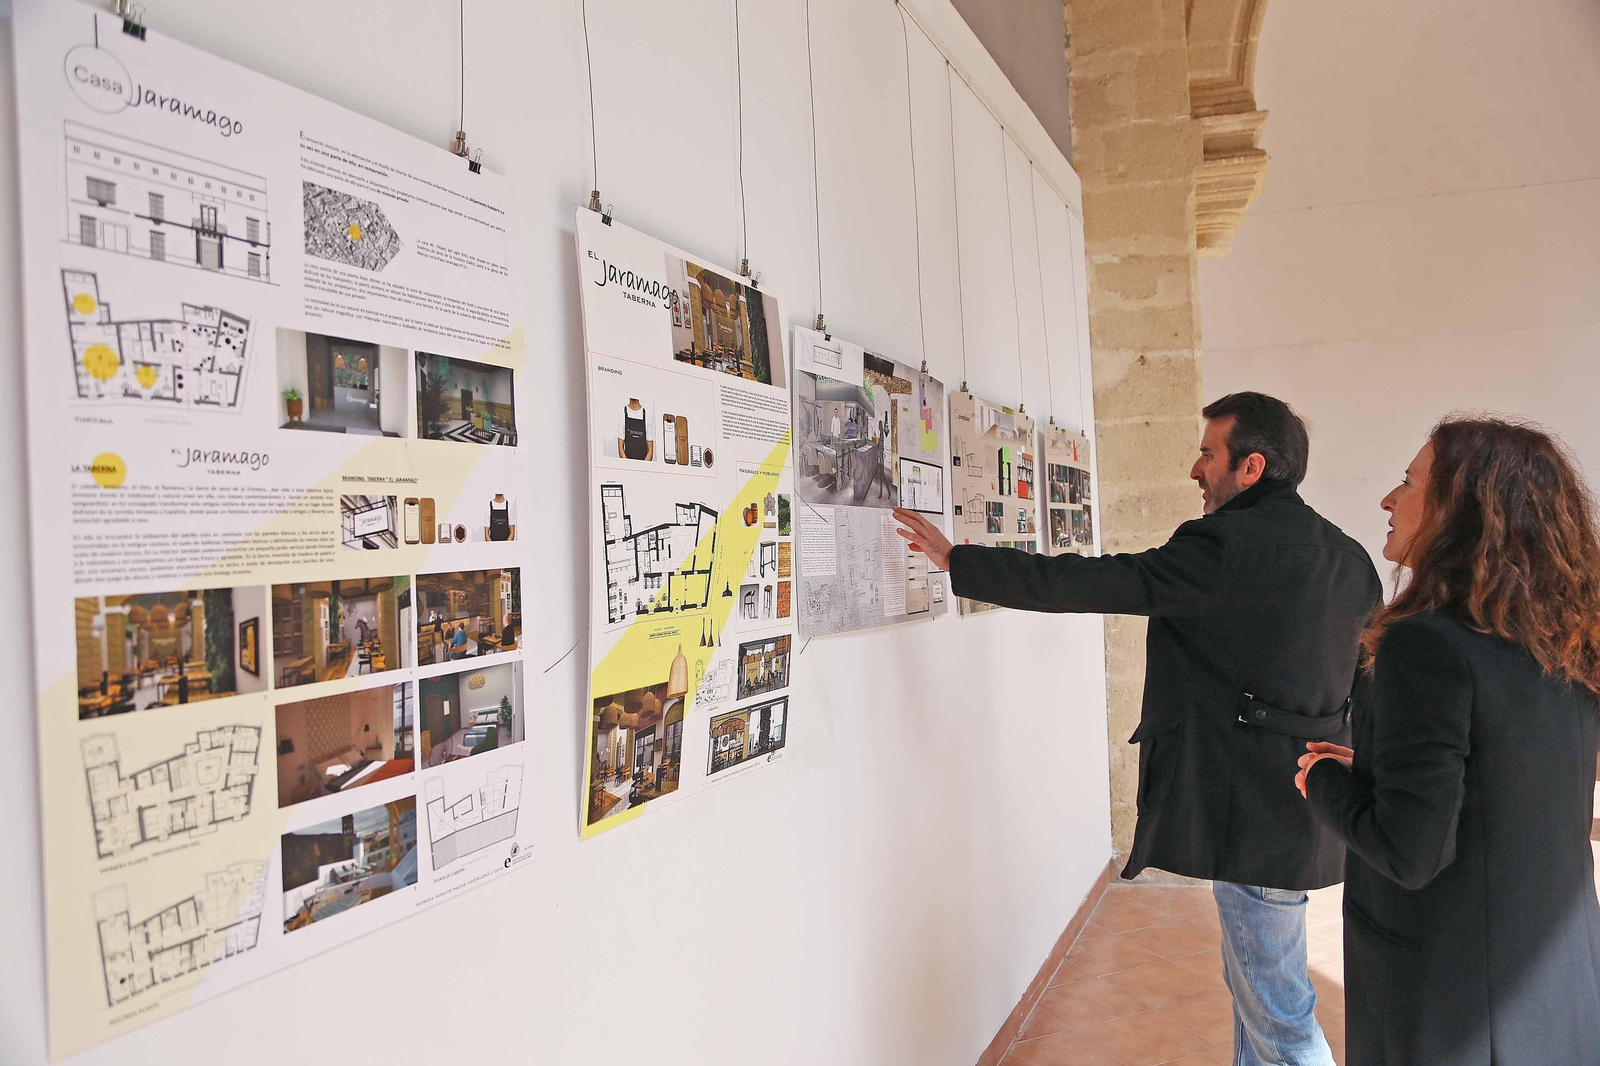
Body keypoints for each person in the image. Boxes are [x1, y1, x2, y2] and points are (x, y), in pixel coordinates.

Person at [895, 392, 1382, 1066]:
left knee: (1277, 1005)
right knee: (1260, 988)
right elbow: (1363, 680)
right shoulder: (1347, 557)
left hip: (1254, 811)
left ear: (1251, 467)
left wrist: (964, 563)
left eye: (1208, 453)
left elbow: (1107, 582)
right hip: (1307, 807)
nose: (1195, 468)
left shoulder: (1226, 546)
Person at [1297, 417, 1600, 1065]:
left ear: (1460, 508)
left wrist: (1323, 782)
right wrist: (1382, 770)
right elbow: (1505, 778)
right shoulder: (1563, 636)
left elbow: (1411, 853)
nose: (1388, 500)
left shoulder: (1424, 642)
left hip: (1454, 996)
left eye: (1407, 482)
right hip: (1554, 980)